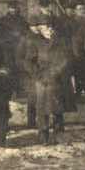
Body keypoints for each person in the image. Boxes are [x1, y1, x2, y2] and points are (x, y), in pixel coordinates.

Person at [22, 14, 72, 142]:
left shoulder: (60, 41)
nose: (49, 30)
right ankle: (43, 133)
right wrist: (37, 74)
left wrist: (55, 72)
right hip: (41, 80)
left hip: (56, 78)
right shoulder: (35, 42)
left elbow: (65, 60)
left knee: (57, 106)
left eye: (51, 27)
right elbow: (28, 62)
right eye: (45, 28)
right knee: (42, 107)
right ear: (40, 29)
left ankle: (58, 133)